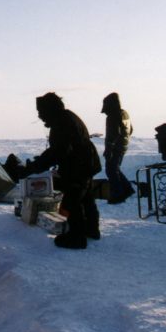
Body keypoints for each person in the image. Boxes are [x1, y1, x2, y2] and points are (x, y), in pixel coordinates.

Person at [19, 92, 102, 249]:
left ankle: (77, 238)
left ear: (50, 110)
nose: (40, 116)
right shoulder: (67, 117)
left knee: (73, 199)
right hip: (86, 162)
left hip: (78, 165)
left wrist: (35, 167)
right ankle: (91, 229)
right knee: (86, 197)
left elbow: (58, 151)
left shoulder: (61, 123)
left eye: (41, 112)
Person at [101, 92, 135, 204]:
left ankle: (118, 194)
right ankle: (127, 189)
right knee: (115, 169)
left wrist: (109, 149)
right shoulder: (125, 113)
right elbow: (130, 129)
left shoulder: (112, 116)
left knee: (111, 170)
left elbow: (113, 133)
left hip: (115, 148)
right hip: (123, 146)